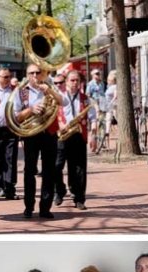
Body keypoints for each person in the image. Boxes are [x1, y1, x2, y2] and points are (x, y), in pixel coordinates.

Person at [13, 64, 65, 219]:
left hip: (49, 133)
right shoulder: (21, 92)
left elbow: (64, 102)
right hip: (30, 134)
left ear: (43, 73)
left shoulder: (50, 87)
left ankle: (45, 207)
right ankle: (29, 207)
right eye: (31, 73)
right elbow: (16, 116)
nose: (35, 75)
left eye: (38, 72)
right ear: (27, 74)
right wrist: (31, 110)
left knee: (49, 171)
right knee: (30, 170)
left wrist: (49, 91)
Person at [55, 70, 92, 210]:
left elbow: (92, 116)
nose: (75, 83)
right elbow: (52, 115)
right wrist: (60, 125)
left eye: (77, 80)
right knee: (56, 166)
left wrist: (93, 133)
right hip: (62, 134)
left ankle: (79, 198)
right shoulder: (59, 97)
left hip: (78, 135)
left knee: (79, 168)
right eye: (72, 80)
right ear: (66, 82)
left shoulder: (85, 98)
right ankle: (59, 191)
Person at [0, 67, 20, 200]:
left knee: (10, 159)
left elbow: (18, 108)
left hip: (11, 129)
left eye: (8, 77)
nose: (6, 80)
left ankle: (10, 188)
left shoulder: (14, 91)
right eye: (4, 77)